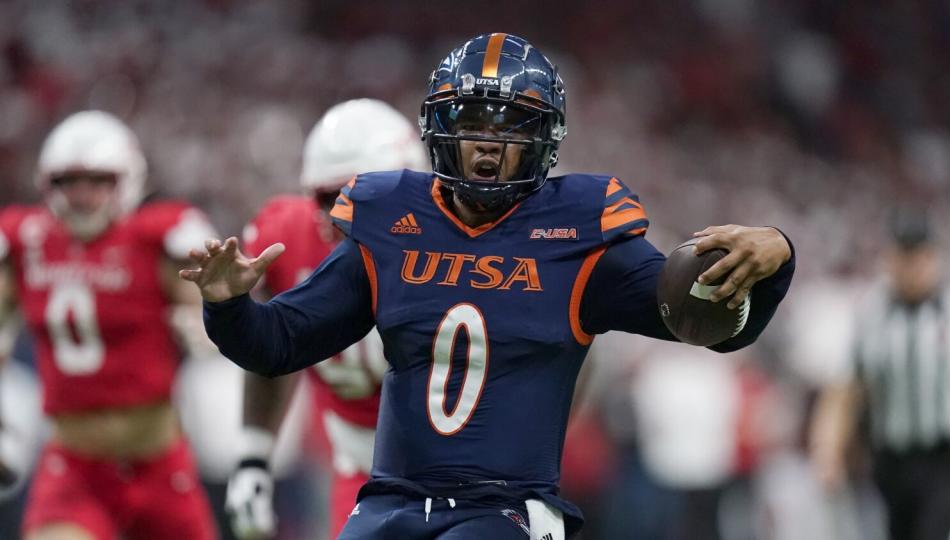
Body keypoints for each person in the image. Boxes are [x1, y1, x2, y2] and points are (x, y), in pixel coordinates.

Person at [184, 33, 795, 539]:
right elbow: (278, 344)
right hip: (391, 503)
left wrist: (775, 259)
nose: (489, 143)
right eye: (472, 121)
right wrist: (227, 304)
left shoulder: (580, 232)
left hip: (508, 510)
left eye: (512, 126)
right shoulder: (392, 220)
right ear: (439, 127)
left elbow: (704, 326)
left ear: (545, 138)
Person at [0, 110, 218, 540]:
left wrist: (204, 317)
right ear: (49, 185)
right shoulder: (27, 241)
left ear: (126, 182)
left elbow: (202, 308)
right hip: (76, 465)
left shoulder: (153, 238)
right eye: (69, 183)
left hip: (158, 460)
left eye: (97, 182)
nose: (82, 195)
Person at [225, 98, 429, 540]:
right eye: (331, 197)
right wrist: (254, 457)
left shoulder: (459, 244)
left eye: (364, 192)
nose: (346, 212)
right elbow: (273, 348)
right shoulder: (287, 238)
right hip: (363, 468)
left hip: (471, 466)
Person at [810, 208, 950, 540]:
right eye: (905, 257)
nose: (913, 267)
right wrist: (828, 448)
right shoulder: (871, 313)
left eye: (920, 256)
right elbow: (846, 387)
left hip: (944, 456)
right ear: (891, 259)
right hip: (890, 458)